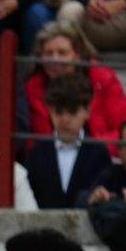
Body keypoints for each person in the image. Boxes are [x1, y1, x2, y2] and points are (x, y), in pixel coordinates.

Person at [22, 22, 126, 147]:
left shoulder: (102, 79)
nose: (54, 59)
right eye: (48, 53)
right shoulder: (31, 88)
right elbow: (28, 141)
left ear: (78, 55)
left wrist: (88, 151)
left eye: (62, 53)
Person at [25, 71, 112, 208]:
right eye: (59, 112)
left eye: (72, 112)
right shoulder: (36, 153)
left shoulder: (99, 152)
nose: (65, 119)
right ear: (49, 111)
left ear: (87, 111)